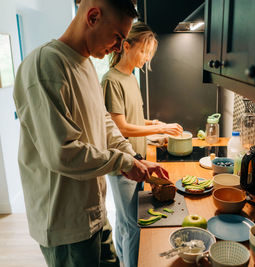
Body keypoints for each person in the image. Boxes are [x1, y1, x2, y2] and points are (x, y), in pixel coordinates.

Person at [13, 1, 170, 266]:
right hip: (66, 224)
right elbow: (61, 153)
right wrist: (124, 163)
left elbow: (105, 124)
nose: (120, 48)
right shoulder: (45, 66)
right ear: (93, 17)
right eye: (118, 37)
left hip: (94, 213)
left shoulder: (85, 64)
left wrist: (134, 158)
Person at [101, 21, 183, 267]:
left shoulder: (130, 78)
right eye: (144, 51)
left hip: (138, 159)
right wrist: (160, 127)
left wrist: (154, 122)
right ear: (126, 46)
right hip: (124, 165)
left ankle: (123, 261)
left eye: (150, 53)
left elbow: (132, 119)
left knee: (125, 222)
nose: (147, 58)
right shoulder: (111, 80)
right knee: (133, 224)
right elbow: (120, 127)